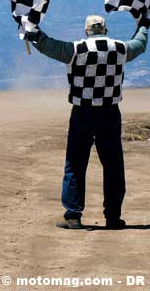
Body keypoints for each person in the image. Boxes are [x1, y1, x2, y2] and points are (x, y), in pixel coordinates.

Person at [25, 14, 148, 230]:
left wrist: (31, 30)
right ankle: (113, 217)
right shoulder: (120, 49)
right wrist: (143, 25)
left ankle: (73, 216)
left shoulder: (76, 49)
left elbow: (47, 45)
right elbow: (140, 44)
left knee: (75, 164)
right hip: (110, 114)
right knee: (113, 166)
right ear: (105, 30)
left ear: (86, 31)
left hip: (82, 114)